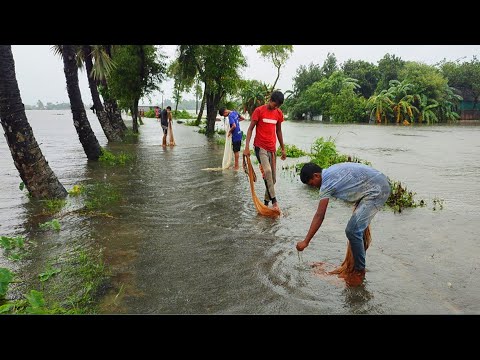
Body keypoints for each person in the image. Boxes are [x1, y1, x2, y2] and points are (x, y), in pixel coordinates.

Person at [296, 162, 391, 286]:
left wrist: (306, 241)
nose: (313, 187)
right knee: (356, 229)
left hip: (377, 189)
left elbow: (320, 215)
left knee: (352, 230)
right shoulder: (330, 172)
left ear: (316, 176)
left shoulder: (326, 183)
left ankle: (359, 271)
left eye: (311, 183)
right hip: (377, 183)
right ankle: (354, 265)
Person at [243, 90, 286, 211]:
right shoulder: (259, 111)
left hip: (272, 148)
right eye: (275, 104)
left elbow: (278, 131)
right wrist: (246, 147)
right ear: (270, 100)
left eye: (278, 106)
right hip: (260, 147)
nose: (276, 107)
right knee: (267, 171)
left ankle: (266, 204)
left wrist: (283, 148)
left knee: (273, 179)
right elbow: (250, 129)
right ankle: (275, 202)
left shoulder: (278, 113)